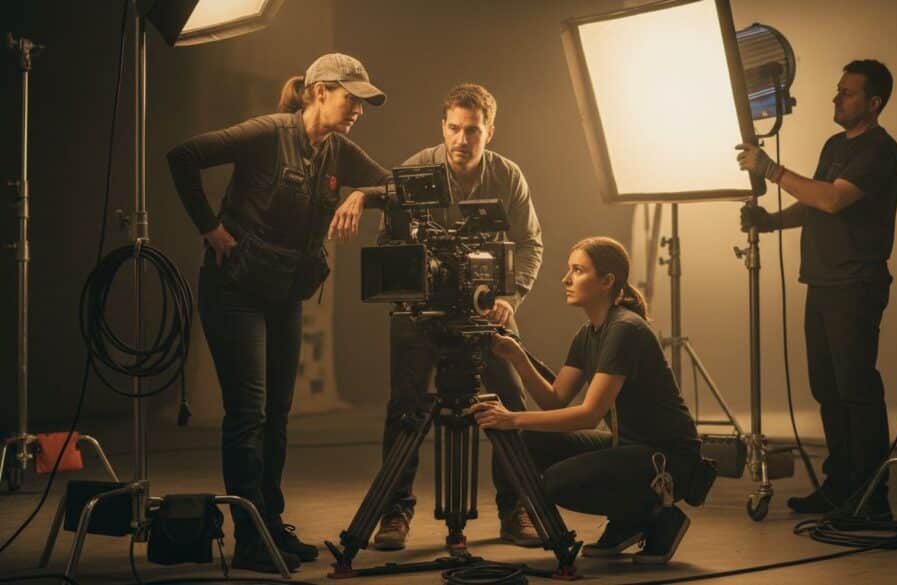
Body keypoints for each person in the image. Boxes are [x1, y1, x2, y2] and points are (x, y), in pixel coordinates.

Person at [166, 53, 390, 573]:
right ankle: (250, 538)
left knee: (277, 417)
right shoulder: (269, 132)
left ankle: (270, 523)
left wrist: (360, 192)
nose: (357, 107)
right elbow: (182, 156)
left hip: (284, 294)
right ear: (319, 92)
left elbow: (398, 187)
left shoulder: (337, 150)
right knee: (249, 413)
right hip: (236, 290)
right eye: (349, 96)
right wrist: (209, 226)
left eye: (361, 100)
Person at [343, 83, 544, 550]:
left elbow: (531, 243)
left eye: (472, 130)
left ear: (489, 132)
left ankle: (515, 509)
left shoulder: (508, 176)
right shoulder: (415, 169)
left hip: (485, 306)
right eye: (453, 128)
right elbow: (391, 244)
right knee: (405, 408)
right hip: (422, 310)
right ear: (443, 126)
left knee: (508, 402)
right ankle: (394, 513)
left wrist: (511, 296)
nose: (461, 139)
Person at [466, 237, 706, 564]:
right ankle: (631, 518)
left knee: (556, 482)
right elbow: (554, 400)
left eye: (577, 271)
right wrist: (517, 358)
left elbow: (589, 414)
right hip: (627, 446)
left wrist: (511, 417)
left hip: (669, 458)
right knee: (526, 440)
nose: (566, 280)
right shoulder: (589, 332)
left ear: (607, 282)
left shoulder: (625, 329)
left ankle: (652, 515)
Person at [735, 59, 897, 518]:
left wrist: (771, 171)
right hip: (824, 281)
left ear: (873, 103)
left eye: (848, 93)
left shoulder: (880, 150)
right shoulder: (834, 144)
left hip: (855, 283)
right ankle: (840, 484)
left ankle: (871, 497)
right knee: (827, 388)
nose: (836, 98)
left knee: (856, 389)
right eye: (837, 89)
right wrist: (770, 223)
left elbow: (831, 198)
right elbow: (813, 201)